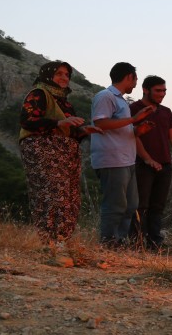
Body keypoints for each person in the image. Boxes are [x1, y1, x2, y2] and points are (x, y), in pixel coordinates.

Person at [19, 61, 102, 248]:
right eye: (59, 74)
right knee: (53, 194)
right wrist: (58, 123)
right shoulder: (39, 94)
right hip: (43, 148)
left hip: (66, 151)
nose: (64, 78)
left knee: (70, 197)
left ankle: (62, 241)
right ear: (48, 75)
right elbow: (27, 120)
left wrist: (83, 131)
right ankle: (50, 242)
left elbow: (68, 130)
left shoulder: (64, 102)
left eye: (67, 74)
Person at [90, 62, 156, 247]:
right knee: (115, 205)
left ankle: (119, 241)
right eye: (135, 79)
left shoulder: (121, 100)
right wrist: (134, 119)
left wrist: (137, 129)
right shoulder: (106, 96)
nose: (135, 84)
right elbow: (100, 123)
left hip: (126, 159)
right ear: (129, 77)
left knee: (130, 205)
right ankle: (108, 242)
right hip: (112, 159)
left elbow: (119, 127)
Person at [129, 75, 172, 250]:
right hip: (142, 164)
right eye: (158, 90)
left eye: (164, 90)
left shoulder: (166, 111)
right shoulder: (133, 109)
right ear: (145, 89)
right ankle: (137, 243)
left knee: (157, 206)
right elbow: (132, 136)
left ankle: (155, 243)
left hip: (164, 164)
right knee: (140, 205)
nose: (162, 94)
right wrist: (147, 159)